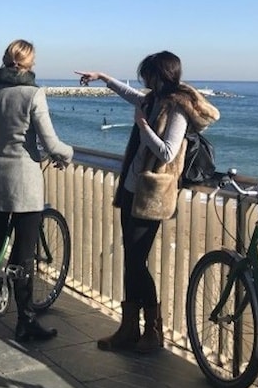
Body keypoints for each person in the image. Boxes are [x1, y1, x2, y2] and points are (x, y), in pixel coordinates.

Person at [76, 51, 220, 354]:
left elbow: (168, 152)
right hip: (132, 188)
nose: (143, 80)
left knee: (136, 262)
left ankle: (152, 330)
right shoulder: (152, 99)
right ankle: (130, 329)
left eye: (147, 75)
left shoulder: (178, 107)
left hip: (152, 194)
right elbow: (130, 93)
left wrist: (143, 127)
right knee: (132, 260)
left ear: (160, 75)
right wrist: (102, 77)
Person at [0, 39, 74, 342]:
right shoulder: (33, 94)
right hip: (25, 182)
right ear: (30, 63)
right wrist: (67, 154)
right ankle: (25, 320)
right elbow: (51, 143)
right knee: (24, 255)